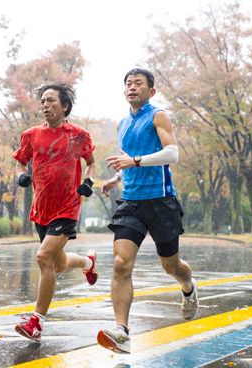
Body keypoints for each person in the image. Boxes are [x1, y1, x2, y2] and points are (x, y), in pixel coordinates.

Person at [97, 68, 198, 354]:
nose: (131, 87)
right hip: (131, 202)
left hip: (161, 200)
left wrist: (137, 161)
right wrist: (117, 178)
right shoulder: (122, 124)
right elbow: (128, 161)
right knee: (120, 263)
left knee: (171, 266)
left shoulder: (158, 116)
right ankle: (122, 331)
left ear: (151, 91)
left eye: (138, 83)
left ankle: (188, 286)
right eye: (127, 84)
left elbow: (172, 154)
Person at [12, 82, 98, 342]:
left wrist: (89, 182)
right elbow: (20, 162)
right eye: (42, 102)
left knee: (43, 257)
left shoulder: (79, 135)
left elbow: (91, 163)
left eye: (51, 101)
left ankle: (36, 322)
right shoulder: (31, 135)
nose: (45, 106)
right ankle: (87, 262)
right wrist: (22, 176)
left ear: (65, 106)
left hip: (67, 206)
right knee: (57, 264)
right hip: (42, 208)